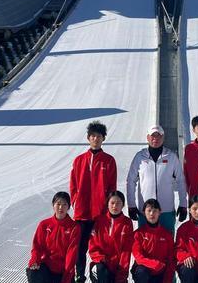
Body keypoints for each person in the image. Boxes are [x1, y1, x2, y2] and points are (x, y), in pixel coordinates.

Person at [69, 121, 117, 283]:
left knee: (100, 248)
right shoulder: (79, 160)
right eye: (93, 136)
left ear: (103, 138)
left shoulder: (108, 161)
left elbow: (112, 186)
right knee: (80, 248)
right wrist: (75, 200)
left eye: (99, 136)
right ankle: (79, 275)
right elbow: (73, 184)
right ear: (88, 138)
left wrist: (108, 208)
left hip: (100, 214)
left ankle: (100, 276)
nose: (95, 139)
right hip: (82, 213)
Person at [126, 125, 187, 234]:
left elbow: (181, 180)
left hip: (166, 209)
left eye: (158, 136)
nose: (155, 139)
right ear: (147, 137)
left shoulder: (171, 157)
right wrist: (131, 205)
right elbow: (131, 181)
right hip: (146, 210)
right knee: (145, 242)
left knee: (166, 241)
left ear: (163, 138)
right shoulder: (140, 157)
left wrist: (183, 204)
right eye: (153, 136)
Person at [27, 192, 81, 283]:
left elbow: (72, 253)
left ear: (68, 207)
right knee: (33, 272)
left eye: (64, 204)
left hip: (63, 270)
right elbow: (37, 246)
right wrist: (35, 260)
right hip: (47, 266)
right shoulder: (44, 224)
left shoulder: (74, 227)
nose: (61, 207)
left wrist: (67, 275)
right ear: (53, 205)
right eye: (58, 204)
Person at [88, 191, 134, 283]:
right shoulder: (100, 220)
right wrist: (100, 258)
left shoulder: (127, 223)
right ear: (107, 204)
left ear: (123, 205)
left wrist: (122, 273)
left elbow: (126, 250)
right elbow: (92, 245)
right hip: (101, 264)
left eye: (118, 203)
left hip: (117, 267)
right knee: (101, 272)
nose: (115, 206)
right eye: (112, 203)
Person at [131, 199, 176, 283]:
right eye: (149, 210)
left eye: (155, 211)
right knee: (141, 272)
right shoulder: (138, 234)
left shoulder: (167, 235)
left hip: (160, 273)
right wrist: (155, 264)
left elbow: (171, 260)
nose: (152, 214)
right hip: (144, 272)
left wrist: (167, 280)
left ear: (159, 212)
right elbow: (138, 257)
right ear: (144, 213)